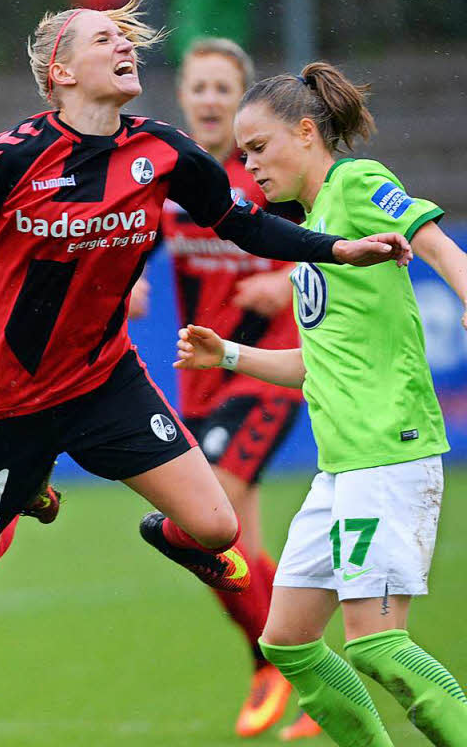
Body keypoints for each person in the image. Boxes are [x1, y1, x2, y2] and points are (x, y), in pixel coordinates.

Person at [0, 0, 411, 617]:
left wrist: (338, 249)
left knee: (216, 526)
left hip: (100, 380)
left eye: (125, 37)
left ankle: (151, 529)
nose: (124, 42)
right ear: (61, 72)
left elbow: (245, 224)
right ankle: (24, 490)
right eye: (104, 38)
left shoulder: (163, 152)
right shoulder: (6, 159)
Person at [174, 61, 467, 746]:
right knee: (287, 642)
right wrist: (227, 355)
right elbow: (312, 364)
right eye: (244, 154)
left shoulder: (356, 184)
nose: (251, 166)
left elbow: (438, 244)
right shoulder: (311, 235)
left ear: (305, 132)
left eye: (260, 149)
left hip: (389, 457)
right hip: (340, 471)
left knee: (376, 644)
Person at [131, 37, 319, 741]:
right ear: (181, 96)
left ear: (242, 101)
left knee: (215, 504)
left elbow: (336, 253)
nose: (209, 99)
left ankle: (270, 659)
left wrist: (289, 279)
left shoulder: (268, 173)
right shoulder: (168, 176)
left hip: (271, 365)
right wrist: (131, 282)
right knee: (240, 539)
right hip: (205, 375)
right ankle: (310, 678)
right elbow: (133, 248)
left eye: (222, 88)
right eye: (199, 87)